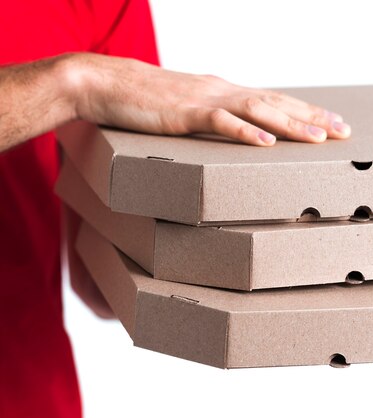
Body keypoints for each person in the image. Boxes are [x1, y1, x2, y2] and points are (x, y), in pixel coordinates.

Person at [0, 1, 351, 417]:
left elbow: (98, 276)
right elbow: (84, 86)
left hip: (30, 390)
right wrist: (71, 85)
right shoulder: (85, 64)